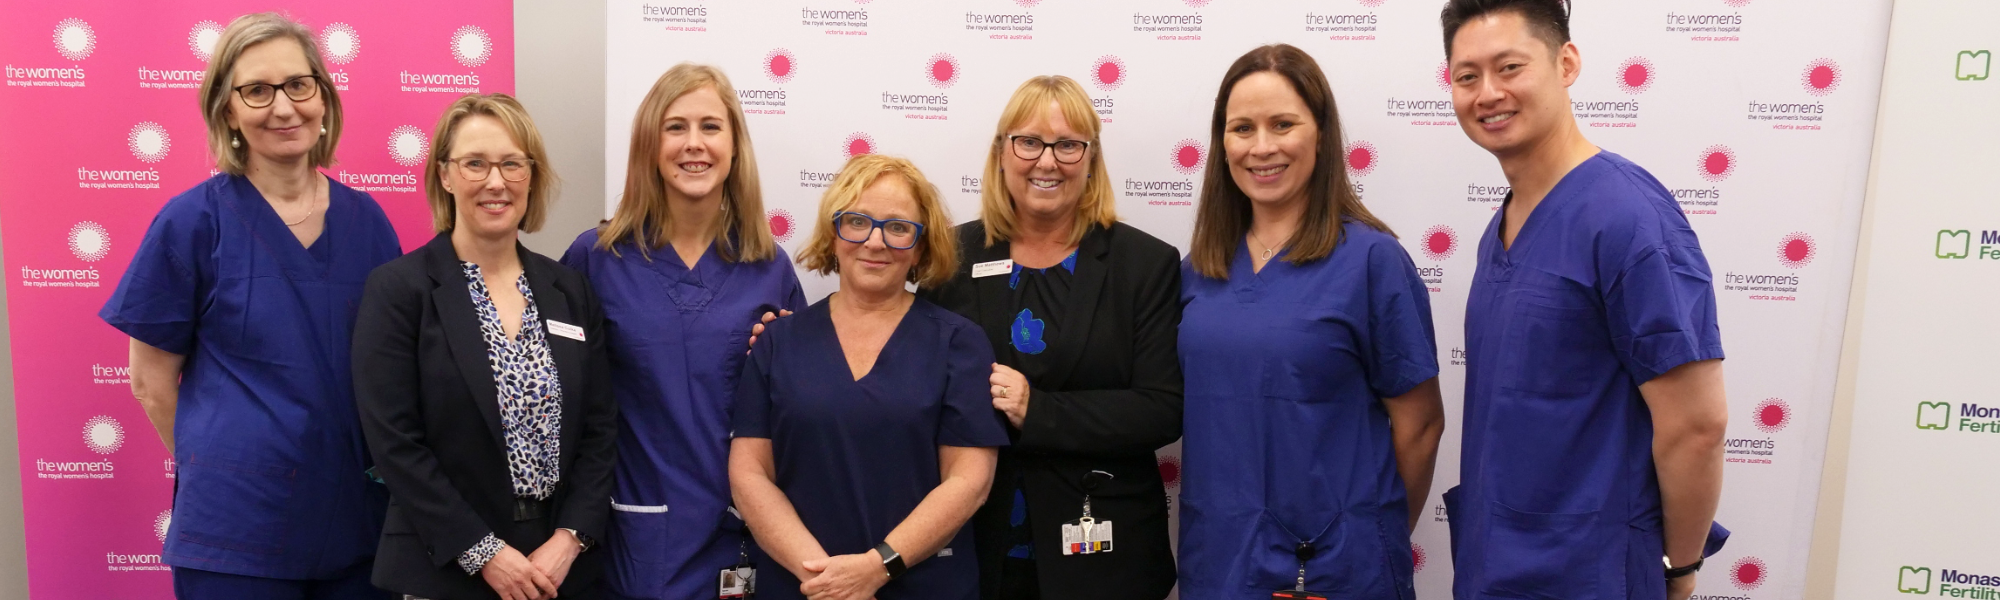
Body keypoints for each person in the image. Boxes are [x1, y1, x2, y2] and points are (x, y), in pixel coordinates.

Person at [98, 12, 400, 599]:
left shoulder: (370, 223)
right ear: (227, 110)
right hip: (235, 539)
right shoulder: (192, 223)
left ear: (323, 95)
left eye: (297, 84)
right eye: (256, 91)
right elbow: (150, 383)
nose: (283, 107)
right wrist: (227, 472)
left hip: (358, 527)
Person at [1439, 2, 1730, 599]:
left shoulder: (1627, 218)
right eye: (1467, 76)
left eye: (1510, 67)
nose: (1488, 93)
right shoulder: (1506, 223)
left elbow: (1697, 425)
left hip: (1589, 571)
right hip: (1496, 564)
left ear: (1566, 62)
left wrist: (1678, 568)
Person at [1173, 44, 1446, 599]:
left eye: (1283, 124)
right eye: (1242, 128)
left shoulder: (1372, 261)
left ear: (1320, 134)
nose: (1262, 146)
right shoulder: (1199, 270)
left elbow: (1419, 425)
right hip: (1218, 560)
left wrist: (1367, 532)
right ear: (1221, 142)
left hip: (1334, 568)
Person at [918, 75, 1181, 600]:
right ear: (1001, 152)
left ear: (1090, 158)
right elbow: (910, 380)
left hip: (1106, 555)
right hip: (976, 548)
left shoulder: (1145, 265)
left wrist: (1037, 411)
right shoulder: (950, 257)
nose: (1047, 161)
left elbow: (1162, 408)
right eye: (1029, 141)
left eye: (1068, 145)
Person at [352, 94, 617, 600]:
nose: (496, 182)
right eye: (475, 163)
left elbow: (600, 429)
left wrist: (570, 538)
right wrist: (483, 552)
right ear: (445, 175)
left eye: (512, 164)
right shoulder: (399, 290)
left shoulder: (570, 290)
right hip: (447, 570)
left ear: (531, 176)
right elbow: (393, 442)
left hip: (560, 573)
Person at [558, 63, 805, 600]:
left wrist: (789, 361)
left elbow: (797, 410)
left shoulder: (770, 267)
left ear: (735, 145)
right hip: (637, 539)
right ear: (650, 144)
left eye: (711, 127)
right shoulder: (595, 259)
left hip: (746, 533)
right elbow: (559, 402)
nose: (694, 144)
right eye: (675, 127)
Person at [729, 154, 1008, 600]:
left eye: (898, 228)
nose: (875, 242)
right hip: (803, 583)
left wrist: (877, 567)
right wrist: (824, 579)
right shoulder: (778, 341)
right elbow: (749, 475)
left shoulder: (959, 343)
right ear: (834, 233)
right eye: (857, 221)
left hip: (924, 584)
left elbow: (969, 482)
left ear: (920, 246)